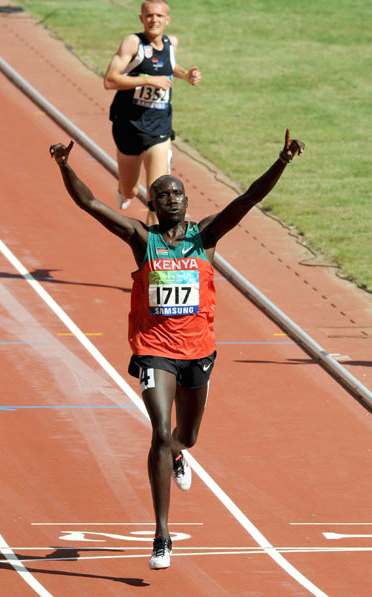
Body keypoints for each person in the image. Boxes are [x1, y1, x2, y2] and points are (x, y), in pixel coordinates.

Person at [49, 129, 304, 570]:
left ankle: (180, 453)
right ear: (153, 204)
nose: (172, 199)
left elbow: (246, 200)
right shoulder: (140, 238)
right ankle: (162, 534)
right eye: (163, 194)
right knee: (160, 432)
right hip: (154, 349)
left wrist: (281, 162)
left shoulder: (205, 237)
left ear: (187, 201)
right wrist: (65, 166)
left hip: (198, 350)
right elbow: (90, 205)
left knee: (184, 437)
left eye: (178, 193)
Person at [103, 0, 201, 225]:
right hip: (128, 126)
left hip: (159, 130)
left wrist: (186, 75)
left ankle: (152, 254)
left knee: (158, 198)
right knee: (129, 190)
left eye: (159, 16)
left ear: (167, 20)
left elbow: (170, 66)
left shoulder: (171, 43)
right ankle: (124, 189)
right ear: (141, 18)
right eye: (149, 16)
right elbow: (109, 80)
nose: (153, 20)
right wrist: (148, 80)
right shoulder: (133, 43)